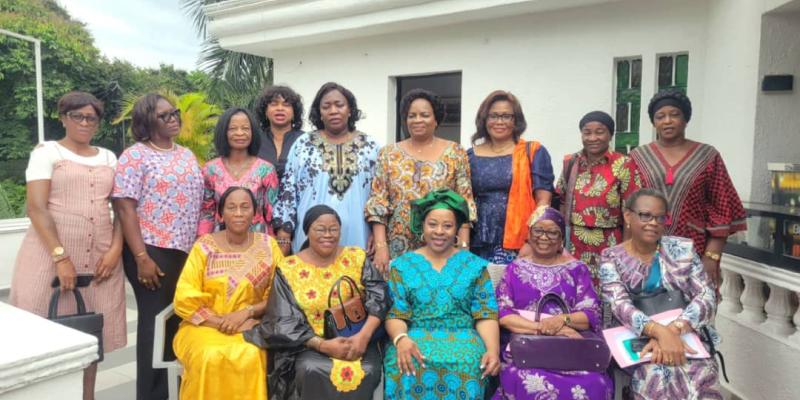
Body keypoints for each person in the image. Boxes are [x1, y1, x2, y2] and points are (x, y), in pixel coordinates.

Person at [9, 91, 126, 400]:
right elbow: (36, 207)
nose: (85, 123)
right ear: (63, 117)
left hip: (99, 261)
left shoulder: (108, 157)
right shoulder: (47, 153)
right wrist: (61, 258)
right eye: (78, 116)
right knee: (41, 335)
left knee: (89, 339)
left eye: (92, 118)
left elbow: (122, 209)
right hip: (48, 256)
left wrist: (115, 250)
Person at [245, 205, 389, 399]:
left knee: (369, 369)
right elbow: (282, 320)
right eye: (320, 229)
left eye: (334, 229)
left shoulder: (356, 257)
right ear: (307, 231)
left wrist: (363, 336)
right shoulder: (289, 268)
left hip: (357, 338)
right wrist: (322, 345)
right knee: (310, 368)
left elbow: (379, 296)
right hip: (308, 344)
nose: (328, 235)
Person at [112, 93, 204, 400]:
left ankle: (177, 391)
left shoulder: (186, 154)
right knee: (155, 327)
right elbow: (125, 207)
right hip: (151, 250)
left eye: (175, 112)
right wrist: (140, 257)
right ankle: (151, 395)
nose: (174, 118)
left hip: (185, 251)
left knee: (177, 323)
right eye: (164, 115)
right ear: (147, 121)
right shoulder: (134, 156)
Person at [599, 188, 721, 399]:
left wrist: (672, 331)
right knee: (654, 372)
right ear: (628, 216)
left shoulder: (682, 249)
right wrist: (656, 332)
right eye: (645, 215)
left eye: (660, 217)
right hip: (634, 336)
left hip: (683, 332)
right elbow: (618, 303)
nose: (653, 222)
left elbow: (706, 295)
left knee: (699, 370)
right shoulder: (611, 257)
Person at [384, 189, 500, 400]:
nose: (439, 231)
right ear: (422, 226)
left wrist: (492, 350)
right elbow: (395, 314)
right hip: (414, 335)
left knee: (472, 361)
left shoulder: (474, 266)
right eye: (432, 224)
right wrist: (401, 339)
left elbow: (485, 314)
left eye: (447, 226)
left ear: (456, 229)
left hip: (464, 337)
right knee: (401, 360)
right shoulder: (401, 266)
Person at [174, 187, 283, 400]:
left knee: (251, 354)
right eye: (231, 207)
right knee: (208, 356)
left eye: (245, 207)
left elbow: (280, 293)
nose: (239, 213)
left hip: (251, 324)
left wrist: (247, 314)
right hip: (203, 325)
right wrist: (222, 322)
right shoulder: (204, 246)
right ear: (221, 214)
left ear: (255, 212)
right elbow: (184, 297)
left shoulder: (268, 246)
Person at [628, 90, 746, 287]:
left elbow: (723, 207)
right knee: (649, 308)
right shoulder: (638, 156)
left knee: (694, 309)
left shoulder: (707, 155)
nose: (667, 121)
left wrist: (712, 256)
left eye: (674, 114)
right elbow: (629, 208)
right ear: (653, 122)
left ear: (685, 119)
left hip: (696, 249)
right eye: (660, 116)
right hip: (646, 248)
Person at [493, 206, 613, 399]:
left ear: (561, 240)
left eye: (552, 232)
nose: (544, 237)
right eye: (538, 230)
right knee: (524, 379)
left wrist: (561, 321)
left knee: (595, 382)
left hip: (571, 349)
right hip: (528, 349)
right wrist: (543, 328)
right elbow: (503, 314)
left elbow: (591, 315)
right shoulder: (514, 269)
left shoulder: (577, 269)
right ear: (530, 235)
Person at [366, 89, 477, 271]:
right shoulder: (388, 154)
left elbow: (464, 203)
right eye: (412, 115)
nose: (417, 120)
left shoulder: (455, 153)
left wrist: (463, 247)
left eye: (424, 115)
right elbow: (378, 202)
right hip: (397, 246)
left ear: (436, 119)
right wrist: (381, 246)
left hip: (442, 244)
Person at [274, 82, 379, 254]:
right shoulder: (303, 145)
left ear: (350, 110)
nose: (333, 111)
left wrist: (378, 234)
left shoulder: (370, 147)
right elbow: (288, 193)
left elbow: (379, 196)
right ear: (319, 113)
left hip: (359, 237)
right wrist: (284, 235)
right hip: (309, 237)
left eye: (340, 105)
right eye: (326, 106)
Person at [468, 90, 554, 265]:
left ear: (516, 121)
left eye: (506, 116)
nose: (499, 122)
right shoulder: (469, 155)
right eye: (493, 116)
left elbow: (543, 202)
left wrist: (532, 241)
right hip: (477, 241)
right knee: (481, 291)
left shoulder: (533, 152)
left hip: (519, 241)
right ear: (484, 120)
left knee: (514, 291)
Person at [556, 111, 641, 283]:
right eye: (587, 132)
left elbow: (631, 210)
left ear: (610, 134)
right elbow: (561, 199)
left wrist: (626, 250)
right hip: (574, 242)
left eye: (599, 132)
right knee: (576, 288)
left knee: (609, 289)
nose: (593, 138)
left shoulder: (624, 164)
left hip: (610, 241)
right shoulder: (571, 162)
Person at [197, 107, 279, 236]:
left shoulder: (266, 170)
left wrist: (274, 247)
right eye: (233, 129)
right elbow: (207, 212)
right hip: (221, 243)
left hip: (257, 244)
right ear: (223, 132)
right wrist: (202, 241)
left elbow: (272, 214)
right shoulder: (210, 170)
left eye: (245, 128)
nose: (240, 133)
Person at [255, 85, 305, 255]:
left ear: (294, 111)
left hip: (298, 218)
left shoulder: (305, 141)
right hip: (259, 218)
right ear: (265, 110)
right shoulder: (254, 141)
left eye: (286, 104)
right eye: (274, 104)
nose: (280, 108)